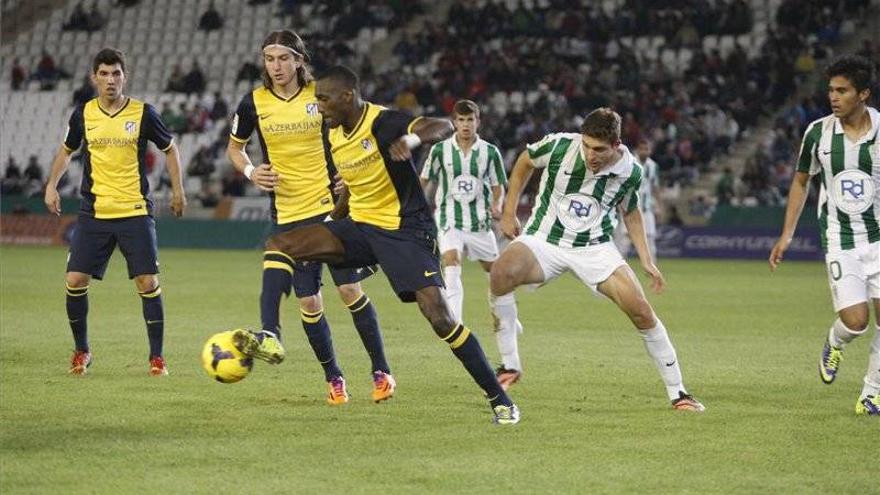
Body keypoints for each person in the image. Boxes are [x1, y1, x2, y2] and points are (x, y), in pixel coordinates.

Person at [241, 65, 520, 424]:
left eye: (323, 100)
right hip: (359, 226)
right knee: (279, 244)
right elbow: (354, 187)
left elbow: (441, 126)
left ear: (347, 97)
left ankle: (500, 400)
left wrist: (412, 140)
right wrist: (330, 226)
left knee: (439, 317)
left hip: (405, 232)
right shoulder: (334, 134)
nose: (319, 108)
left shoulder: (382, 122)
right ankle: (270, 335)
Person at [490, 108, 705, 412]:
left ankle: (678, 392)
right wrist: (510, 210)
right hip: (544, 239)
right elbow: (525, 162)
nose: (590, 154)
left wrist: (646, 259)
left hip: (594, 247)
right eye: (587, 146)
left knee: (641, 311)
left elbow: (630, 211)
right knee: (500, 273)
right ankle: (510, 365)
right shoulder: (560, 145)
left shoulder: (630, 171)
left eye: (599, 149)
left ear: (616, 145)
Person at [226, 31, 394, 405]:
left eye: (284, 58)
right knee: (310, 304)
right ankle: (333, 377)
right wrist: (252, 172)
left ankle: (381, 370)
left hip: (331, 211)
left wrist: (347, 172)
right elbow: (235, 149)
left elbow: (356, 128)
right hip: (288, 215)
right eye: (269, 59)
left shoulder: (321, 93)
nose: (276, 66)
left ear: (299, 60)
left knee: (350, 291)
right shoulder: (253, 103)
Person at [43, 48, 186, 376]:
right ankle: (82, 351)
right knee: (75, 280)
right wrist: (52, 184)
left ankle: (157, 358)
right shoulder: (83, 114)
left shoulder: (143, 113)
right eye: (104, 74)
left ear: (125, 76)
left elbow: (171, 149)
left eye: (116, 74)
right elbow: (67, 151)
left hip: (134, 211)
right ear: (94, 78)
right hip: (94, 212)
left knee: (147, 282)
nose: (110, 80)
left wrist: (178, 190)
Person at [770, 55, 879, 416]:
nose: (833, 97)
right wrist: (787, 234)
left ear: (863, 93)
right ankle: (835, 341)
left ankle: (872, 393)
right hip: (840, 239)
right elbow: (801, 181)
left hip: (878, 238)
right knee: (856, 322)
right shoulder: (818, 132)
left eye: (842, 90)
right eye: (831, 89)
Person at [419, 99, 523, 390]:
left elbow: (498, 184)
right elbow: (425, 180)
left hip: (479, 224)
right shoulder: (440, 150)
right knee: (451, 262)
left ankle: (510, 319)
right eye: (461, 120)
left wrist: (497, 204)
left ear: (479, 122)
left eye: (471, 120)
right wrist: (418, 207)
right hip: (449, 219)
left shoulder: (489, 152)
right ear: (454, 122)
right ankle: (456, 320)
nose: (466, 125)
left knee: (497, 274)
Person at [613, 138, 660, 258]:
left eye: (647, 149)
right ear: (638, 150)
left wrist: (658, 205)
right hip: (629, 208)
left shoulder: (653, 166)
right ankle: (618, 270)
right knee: (624, 241)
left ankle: (652, 270)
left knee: (650, 240)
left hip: (647, 209)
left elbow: (655, 187)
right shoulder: (629, 162)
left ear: (651, 151)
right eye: (642, 149)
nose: (645, 151)